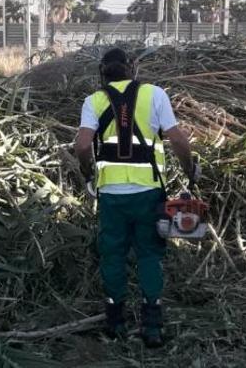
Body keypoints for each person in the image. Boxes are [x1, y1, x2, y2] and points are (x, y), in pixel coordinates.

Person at [74, 48, 200, 347]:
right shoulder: (155, 95)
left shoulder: (93, 101)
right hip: (148, 193)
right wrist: (190, 169)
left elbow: (81, 146)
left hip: (112, 196)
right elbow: (179, 140)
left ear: (102, 72)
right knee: (149, 254)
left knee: (113, 254)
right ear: (132, 69)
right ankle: (152, 324)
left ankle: (115, 322)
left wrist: (89, 175)